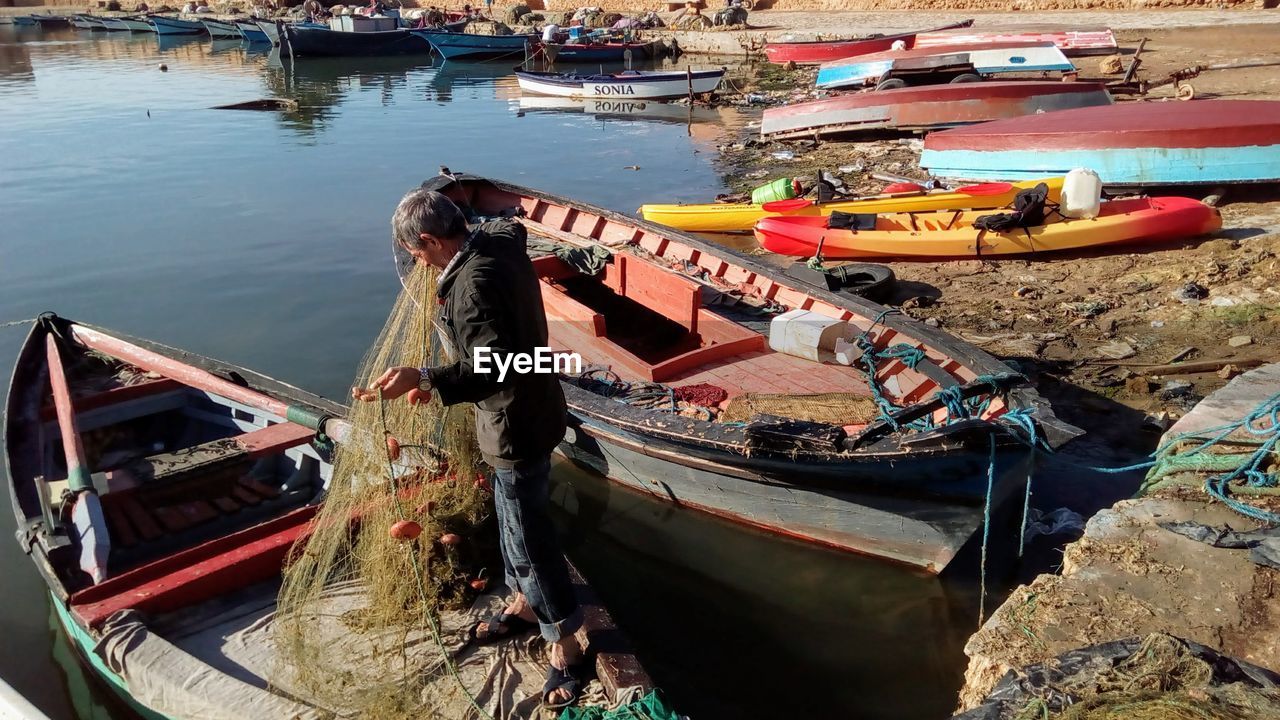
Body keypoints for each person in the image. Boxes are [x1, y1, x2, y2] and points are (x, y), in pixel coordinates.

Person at [355, 188, 584, 709]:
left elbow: (493, 366)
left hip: (514, 423)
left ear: (433, 240)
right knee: (509, 518)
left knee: (528, 533)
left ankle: (566, 648)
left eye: (416, 252)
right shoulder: (501, 242)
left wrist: (429, 376)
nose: (415, 262)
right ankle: (525, 603)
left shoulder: (473, 286)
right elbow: (511, 222)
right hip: (536, 405)